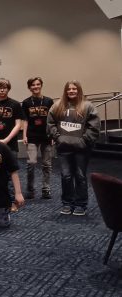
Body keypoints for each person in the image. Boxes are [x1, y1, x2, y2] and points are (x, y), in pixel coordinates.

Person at [47, 81, 100, 216]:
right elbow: (51, 123)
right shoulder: (57, 105)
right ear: (65, 91)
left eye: (74, 88)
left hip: (82, 149)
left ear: (79, 90)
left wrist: (84, 141)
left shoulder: (87, 106)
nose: (71, 91)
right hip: (64, 148)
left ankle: (81, 204)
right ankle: (67, 203)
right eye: (69, 89)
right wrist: (58, 138)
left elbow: (94, 127)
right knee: (66, 176)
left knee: (80, 176)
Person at [21, 77, 55, 199]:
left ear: (41, 85)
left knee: (47, 164)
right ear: (29, 87)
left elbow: (52, 120)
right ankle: (30, 189)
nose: (36, 87)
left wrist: (53, 134)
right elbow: (25, 120)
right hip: (32, 136)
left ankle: (46, 188)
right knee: (31, 163)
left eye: (38, 84)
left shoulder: (48, 101)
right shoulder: (26, 102)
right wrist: (24, 135)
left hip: (46, 136)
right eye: (33, 85)